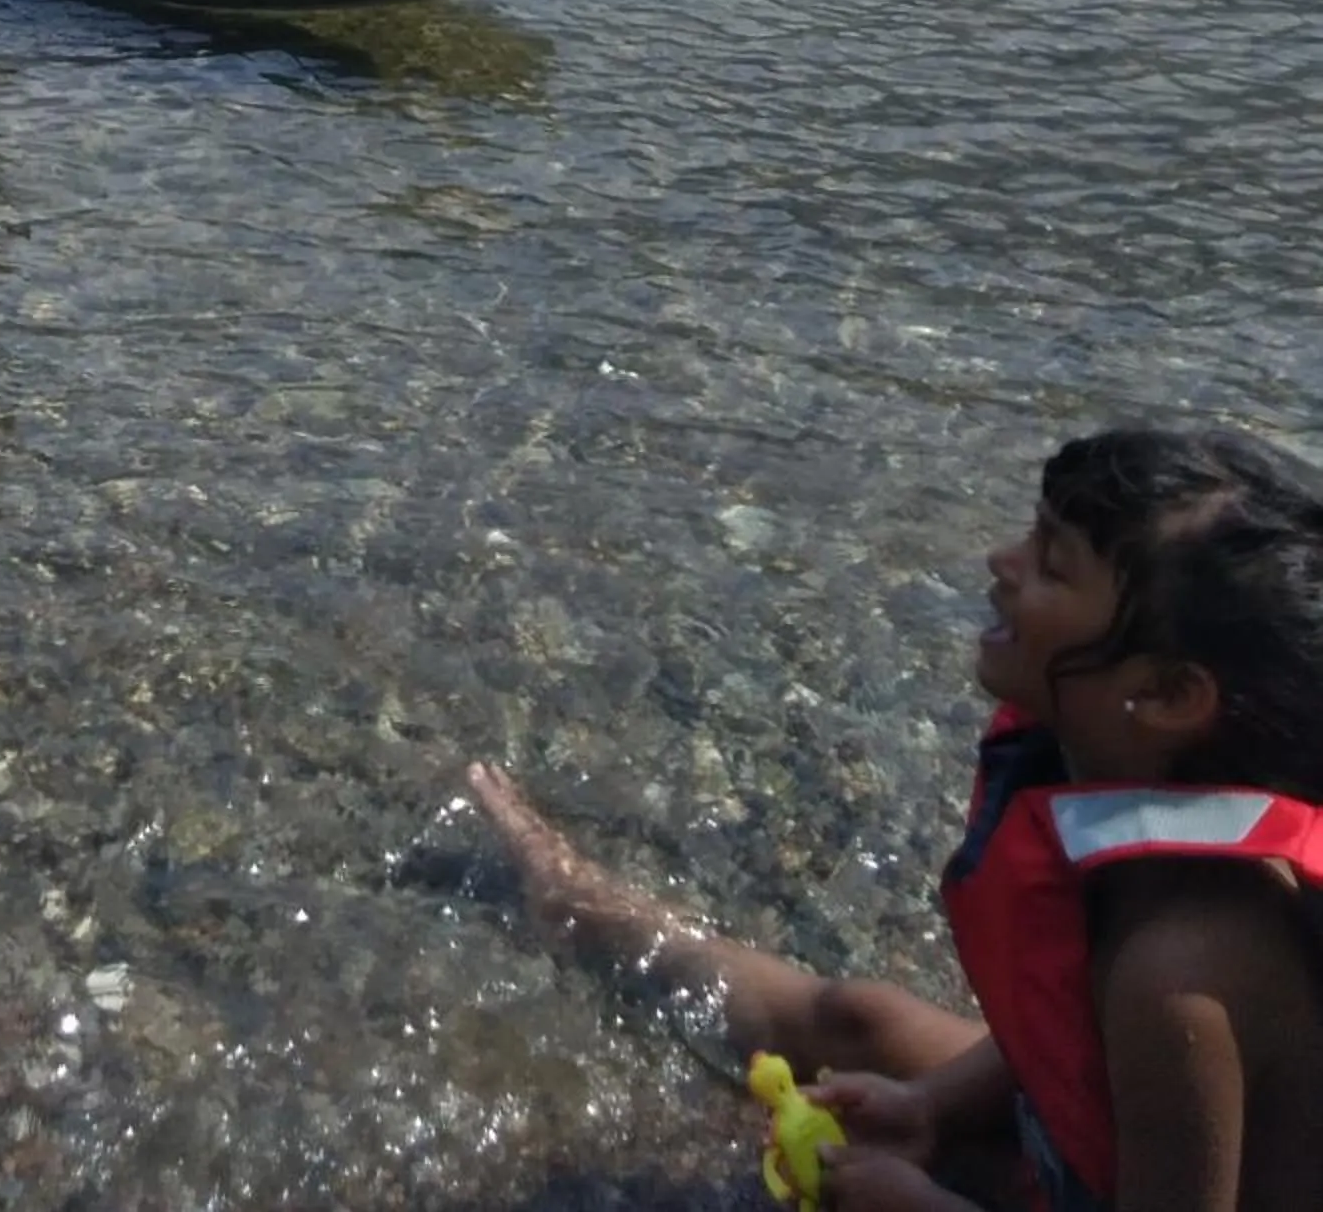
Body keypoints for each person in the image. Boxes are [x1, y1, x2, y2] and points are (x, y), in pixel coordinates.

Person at [464, 424, 1323, 1211]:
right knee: (862, 1019)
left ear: (1166, 694)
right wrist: (933, 1108)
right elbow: (1063, 1031)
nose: (1002, 561)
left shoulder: (1184, 972)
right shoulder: (1131, 815)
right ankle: (579, 904)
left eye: (1053, 565)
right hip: (1082, 1152)